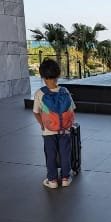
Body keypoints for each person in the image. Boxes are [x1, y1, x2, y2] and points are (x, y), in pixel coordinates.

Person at [33, 58, 76, 189]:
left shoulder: (40, 93)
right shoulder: (65, 91)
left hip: (48, 131)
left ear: (42, 76)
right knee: (65, 154)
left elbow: (36, 112)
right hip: (65, 130)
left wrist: (42, 124)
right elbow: (72, 109)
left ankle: (52, 180)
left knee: (50, 155)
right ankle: (65, 178)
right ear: (58, 75)